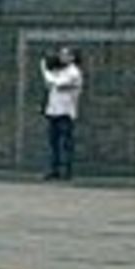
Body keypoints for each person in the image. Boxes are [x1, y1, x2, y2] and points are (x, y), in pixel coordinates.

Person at [40, 47, 83, 180]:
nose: (61, 57)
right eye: (61, 54)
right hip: (53, 110)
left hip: (66, 112)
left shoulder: (74, 72)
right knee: (53, 142)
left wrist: (44, 68)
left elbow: (56, 83)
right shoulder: (59, 71)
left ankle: (67, 170)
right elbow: (49, 86)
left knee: (66, 142)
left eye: (65, 55)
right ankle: (55, 169)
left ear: (72, 57)